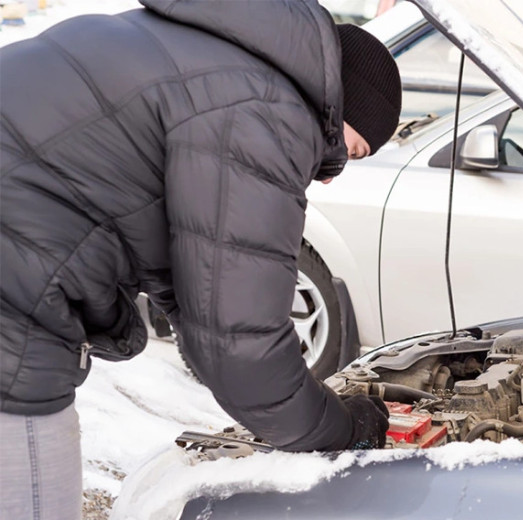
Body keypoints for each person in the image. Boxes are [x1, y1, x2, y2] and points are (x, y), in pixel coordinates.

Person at [0, 0, 401, 518]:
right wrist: (343, 427)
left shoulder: (212, 52)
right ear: (340, 104)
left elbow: (202, 294)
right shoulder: (265, 108)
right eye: (353, 148)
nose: (331, 170)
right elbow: (241, 343)